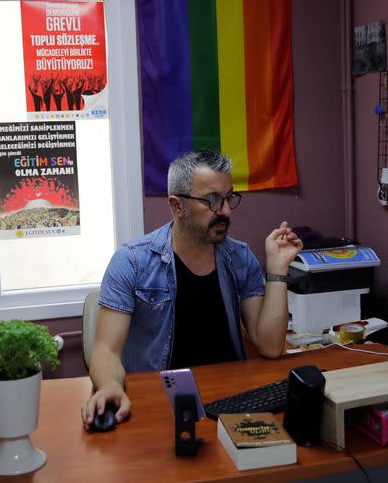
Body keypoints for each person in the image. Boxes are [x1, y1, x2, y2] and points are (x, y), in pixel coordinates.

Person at [81, 150, 303, 430]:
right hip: (156, 403)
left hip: (232, 401)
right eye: (212, 200)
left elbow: (270, 346)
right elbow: (106, 350)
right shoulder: (132, 262)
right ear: (177, 206)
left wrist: (278, 269)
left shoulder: (240, 258)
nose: (224, 211)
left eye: (228, 198)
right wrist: (110, 386)